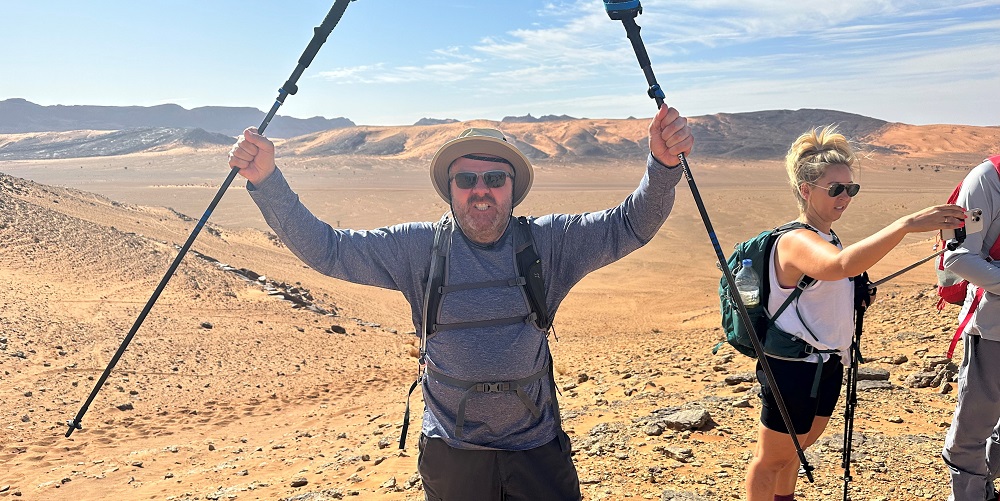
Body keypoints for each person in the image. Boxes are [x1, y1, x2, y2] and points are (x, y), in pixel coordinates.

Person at [228, 103, 694, 501]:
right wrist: (267, 181)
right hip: (453, 454)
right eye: (467, 178)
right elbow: (328, 250)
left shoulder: (549, 243)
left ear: (512, 187)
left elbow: (631, 225)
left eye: (494, 177)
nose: (481, 189)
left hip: (535, 449)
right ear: (450, 189)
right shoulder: (416, 249)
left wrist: (662, 165)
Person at [744, 126, 966, 501]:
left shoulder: (827, 236)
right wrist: (905, 225)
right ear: (805, 190)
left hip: (826, 363)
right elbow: (840, 266)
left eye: (851, 189)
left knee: (798, 449)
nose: (845, 198)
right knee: (772, 459)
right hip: (793, 366)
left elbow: (830, 284)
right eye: (836, 190)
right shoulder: (796, 240)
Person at [941, 155, 1000, 501]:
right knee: (973, 430)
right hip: (993, 328)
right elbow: (959, 257)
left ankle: (983, 486)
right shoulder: (987, 179)